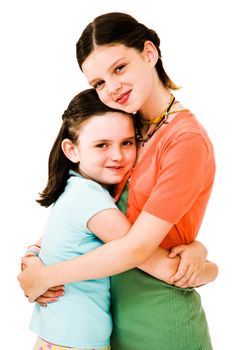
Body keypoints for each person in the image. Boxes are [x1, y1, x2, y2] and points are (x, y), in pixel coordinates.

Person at [18, 12, 218, 350]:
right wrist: (36, 251)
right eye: (98, 82)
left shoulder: (184, 140)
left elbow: (137, 246)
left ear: (149, 54)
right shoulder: (127, 131)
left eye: (119, 68)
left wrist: (46, 276)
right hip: (111, 326)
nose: (112, 88)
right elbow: (92, 210)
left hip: (162, 324)